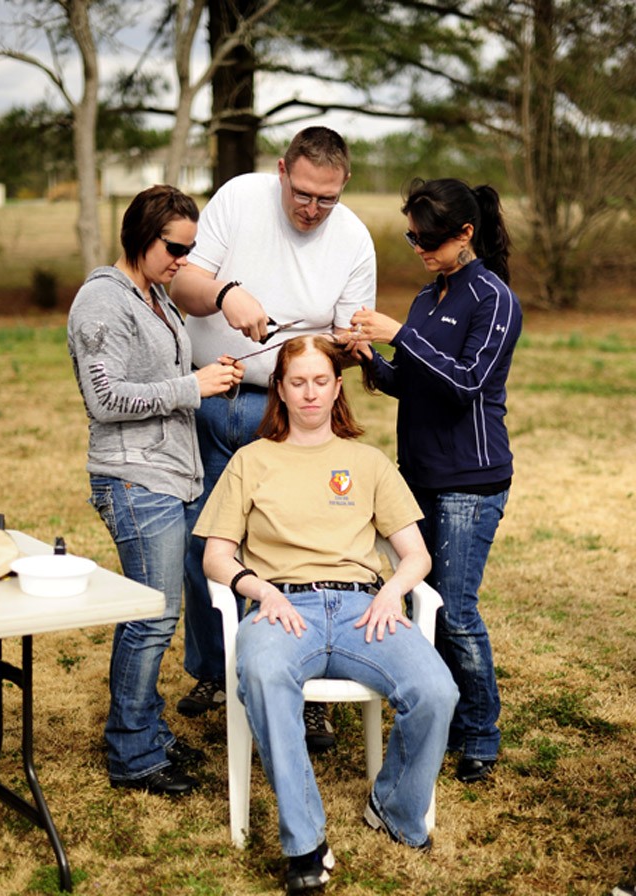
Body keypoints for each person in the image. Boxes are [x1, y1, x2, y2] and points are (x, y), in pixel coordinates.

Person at [193, 335, 459, 893]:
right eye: (297, 382)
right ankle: (306, 843)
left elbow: (416, 553)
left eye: (321, 381)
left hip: (367, 608)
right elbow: (216, 555)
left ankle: (392, 807)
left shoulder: (367, 462)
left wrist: (394, 593)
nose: (310, 393)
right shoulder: (251, 460)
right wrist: (258, 590)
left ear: (337, 387)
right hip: (284, 605)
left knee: (437, 691)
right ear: (280, 391)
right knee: (264, 675)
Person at [169, 126, 377, 750]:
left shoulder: (355, 240)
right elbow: (182, 285)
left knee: (294, 547)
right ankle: (214, 669)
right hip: (216, 397)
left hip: (291, 411)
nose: (312, 209)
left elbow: (345, 345)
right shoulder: (238, 198)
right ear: (283, 170)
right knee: (205, 542)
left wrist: (335, 345)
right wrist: (226, 294)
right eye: (304, 194)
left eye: (327, 199)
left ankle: (303, 682)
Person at [344, 177, 522, 784]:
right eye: (412, 235)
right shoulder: (428, 297)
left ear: (464, 235)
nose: (418, 247)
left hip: (469, 481)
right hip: (414, 474)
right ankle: (442, 714)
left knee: (456, 610)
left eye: (428, 238)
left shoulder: (494, 300)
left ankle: (480, 732)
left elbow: (467, 382)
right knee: (423, 600)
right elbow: (413, 383)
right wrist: (372, 359)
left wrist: (399, 335)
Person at [67, 185, 244, 796]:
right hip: (134, 479)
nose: (182, 262)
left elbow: (165, 376)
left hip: (170, 475)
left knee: (156, 615)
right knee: (151, 617)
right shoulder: (100, 303)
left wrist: (209, 379)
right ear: (140, 235)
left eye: (190, 250)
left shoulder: (159, 297)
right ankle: (132, 753)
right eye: (175, 248)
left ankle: (144, 727)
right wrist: (193, 386)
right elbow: (106, 398)